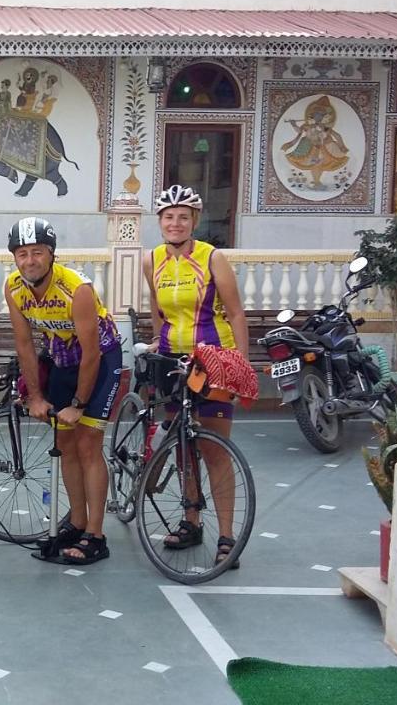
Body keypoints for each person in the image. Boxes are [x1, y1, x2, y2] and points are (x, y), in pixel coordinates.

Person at [6, 217, 124, 565]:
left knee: (88, 443)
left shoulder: (77, 288)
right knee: (64, 444)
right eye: (23, 253)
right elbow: (25, 345)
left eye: (38, 252)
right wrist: (35, 396)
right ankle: (77, 521)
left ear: (52, 254)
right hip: (62, 360)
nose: (30, 261)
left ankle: (97, 536)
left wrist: (78, 404)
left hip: (101, 360)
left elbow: (92, 353)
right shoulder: (14, 288)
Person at [143, 184, 249, 567]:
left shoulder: (211, 258)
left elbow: (236, 313)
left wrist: (240, 363)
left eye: (183, 217)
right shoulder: (150, 259)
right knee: (183, 450)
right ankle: (191, 523)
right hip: (172, 360)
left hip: (213, 359)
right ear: (160, 222)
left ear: (195, 221)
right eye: (168, 217)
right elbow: (156, 306)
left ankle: (226, 537)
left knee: (215, 451)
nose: (175, 223)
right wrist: (157, 338)